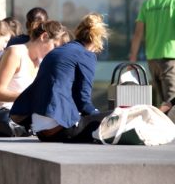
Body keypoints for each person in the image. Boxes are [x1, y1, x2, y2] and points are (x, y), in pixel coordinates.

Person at [10, 13, 110, 143]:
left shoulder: (58, 51)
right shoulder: (86, 55)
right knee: (115, 116)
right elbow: (83, 101)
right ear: (98, 40)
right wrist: (99, 116)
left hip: (40, 131)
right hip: (60, 129)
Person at [0, 20, 71, 111]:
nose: (55, 52)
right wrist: (32, 97)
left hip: (30, 115)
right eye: (55, 46)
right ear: (44, 36)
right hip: (9, 114)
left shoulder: (41, 61)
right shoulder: (16, 52)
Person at [129, 0, 175, 107]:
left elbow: (138, 34)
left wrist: (133, 58)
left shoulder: (148, 3)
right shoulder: (173, 0)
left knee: (162, 103)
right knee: (172, 103)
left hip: (153, 60)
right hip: (170, 58)